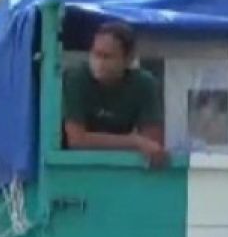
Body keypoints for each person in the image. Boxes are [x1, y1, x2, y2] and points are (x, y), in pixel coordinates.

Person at [63, 20, 166, 166]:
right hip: (72, 167)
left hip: (119, 169)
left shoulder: (144, 84)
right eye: (96, 54)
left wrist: (141, 143)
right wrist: (134, 141)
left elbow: (152, 144)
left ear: (128, 60)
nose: (99, 63)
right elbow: (77, 140)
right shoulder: (76, 78)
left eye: (107, 57)